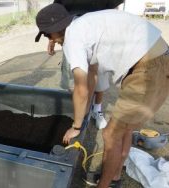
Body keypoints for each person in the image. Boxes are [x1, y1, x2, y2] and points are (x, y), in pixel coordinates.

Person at [35, 3, 169, 188]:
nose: (51, 40)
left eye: (48, 35)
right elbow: (91, 77)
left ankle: (104, 185)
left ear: (56, 29)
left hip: (149, 69)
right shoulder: (85, 26)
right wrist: (85, 107)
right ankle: (114, 176)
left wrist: (76, 126)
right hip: (158, 58)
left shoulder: (73, 39)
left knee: (110, 135)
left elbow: (81, 88)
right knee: (126, 129)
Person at [44, 0, 124, 129]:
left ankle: (95, 109)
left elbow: (114, 7)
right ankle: (79, 110)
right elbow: (56, 9)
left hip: (96, 39)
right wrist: (52, 38)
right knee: (74, 81)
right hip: (67, 34)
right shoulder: (69, 39)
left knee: (98, 78)